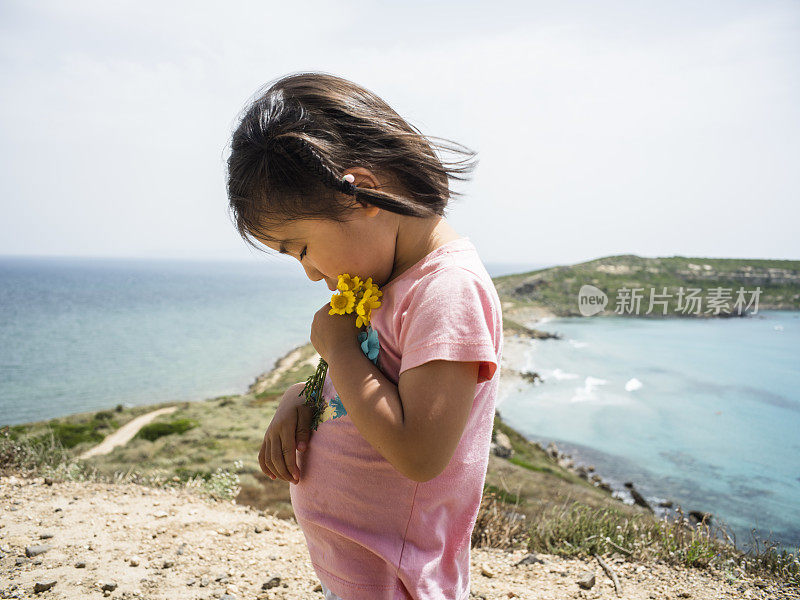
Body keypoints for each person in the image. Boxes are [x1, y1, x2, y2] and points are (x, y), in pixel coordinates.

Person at [227, 72, 503, 600]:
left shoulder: (448, 290)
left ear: (362, 193)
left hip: (399, 579)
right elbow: (374, 383)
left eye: (301, 247)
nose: (309, 273)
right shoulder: (387, 280)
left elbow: (419, 453)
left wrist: (338, 347)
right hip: (359, 572)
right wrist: (303, 396)